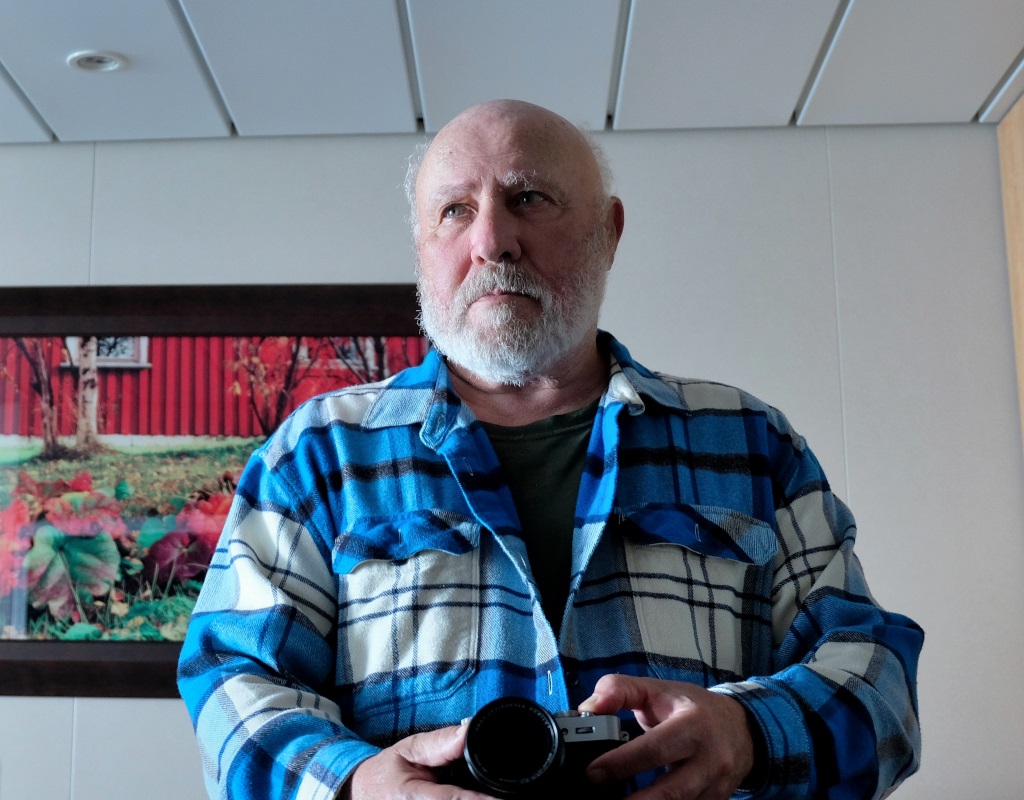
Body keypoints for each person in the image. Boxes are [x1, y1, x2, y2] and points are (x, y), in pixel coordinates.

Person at [178, 99, 923, 800]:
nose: (491, 240)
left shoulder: (750, 443)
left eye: (528, 198)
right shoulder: (318, 455)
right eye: (455, 210)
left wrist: (750, 731)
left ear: (608, 231)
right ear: (422, 247)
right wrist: (354, 783)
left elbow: (878, 683)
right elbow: (231, 677)